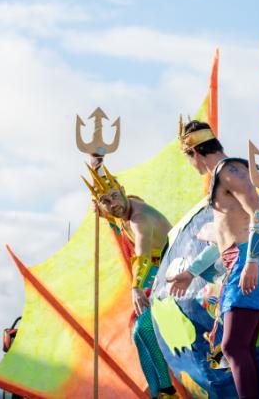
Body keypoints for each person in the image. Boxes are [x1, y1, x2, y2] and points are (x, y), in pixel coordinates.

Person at [165, 120, 259, 399]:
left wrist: (252, 260)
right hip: (239, 263)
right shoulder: (221, 176)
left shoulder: (230, 171)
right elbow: (223, 239)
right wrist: (192, 272)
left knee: (233, 347)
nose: (191, 164)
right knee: (239, 348)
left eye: (188, 158)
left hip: (252, 261)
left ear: (193, 152)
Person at [87, 156, 176, 399]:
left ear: (124, 191)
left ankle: (169, 391)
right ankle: (157, 393)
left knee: (145, 327)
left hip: (170, 274)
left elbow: (142, 256)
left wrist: (135, 287)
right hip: (155, 276)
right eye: (106, 201)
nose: (112, 204)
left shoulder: (139, 218)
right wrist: (95, 165)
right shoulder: (120, 209)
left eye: (114, 196)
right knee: (138, 334)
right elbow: (111, 208)